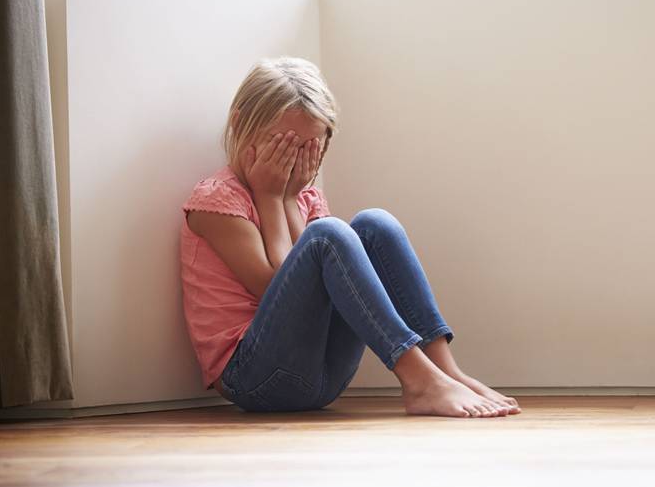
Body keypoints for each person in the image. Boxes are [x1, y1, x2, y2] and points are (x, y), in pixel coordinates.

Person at [179, 56, 520, 418]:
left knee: (375, 224)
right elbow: (274, 289)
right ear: (240, 125)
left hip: (324, 375)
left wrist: (291, 198)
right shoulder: (216, 200)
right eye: (282, 145)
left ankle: (444, 372)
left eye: (308, 149)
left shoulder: (306, 197)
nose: (293, 163)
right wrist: (271, 197)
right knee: (327, 234)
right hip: (254, 376)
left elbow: (319, 289)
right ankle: (419, 380)